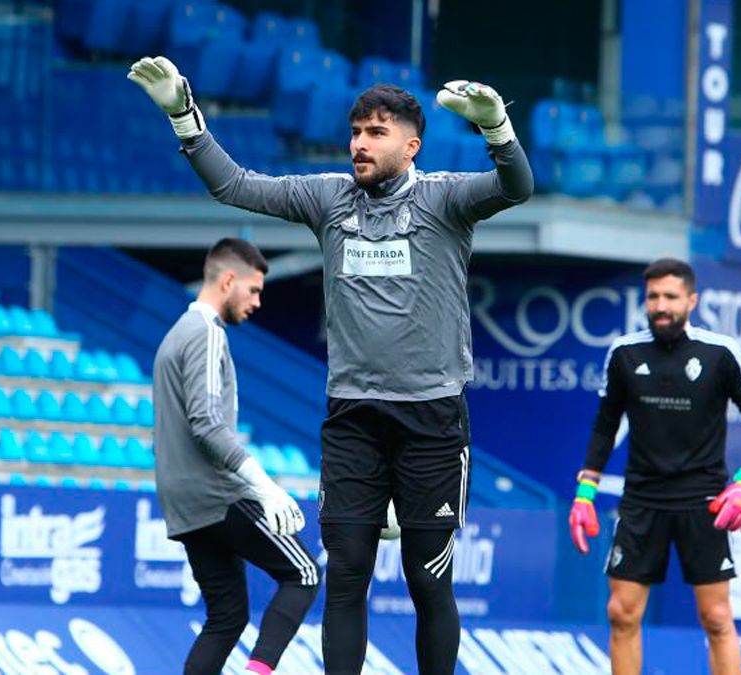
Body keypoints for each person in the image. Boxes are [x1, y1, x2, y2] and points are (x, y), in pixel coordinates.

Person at [129, 55, 533, 674]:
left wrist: (498, 130)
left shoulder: (446, 199)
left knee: (429, 585)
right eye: (355, 132)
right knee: (346, 576)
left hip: (432, 420)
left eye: (376, 133)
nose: (360, 145)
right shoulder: (328, 198)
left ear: (411, 143)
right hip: (353, 418)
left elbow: (515, 188)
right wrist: (184, 116)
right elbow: (234, 185)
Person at [568, 258, 741, 675]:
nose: (661, 305)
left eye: (670, 297)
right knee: (621, 613)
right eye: (653, 297)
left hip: (704, 501)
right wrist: (585, 491)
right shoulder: (625, 353)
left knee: (716, 618)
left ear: (691, 301)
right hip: (642, 500)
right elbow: (605, 426)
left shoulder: (720, 353)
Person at [153, 238, 319, 675]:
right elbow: (207, 423)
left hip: (183, 503)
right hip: (217, 494)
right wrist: (263, 487)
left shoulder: (173, 336)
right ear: (228, 280)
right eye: (254, 290)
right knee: (303, 574)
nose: (258, 302)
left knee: (226, 617)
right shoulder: (205, 333)